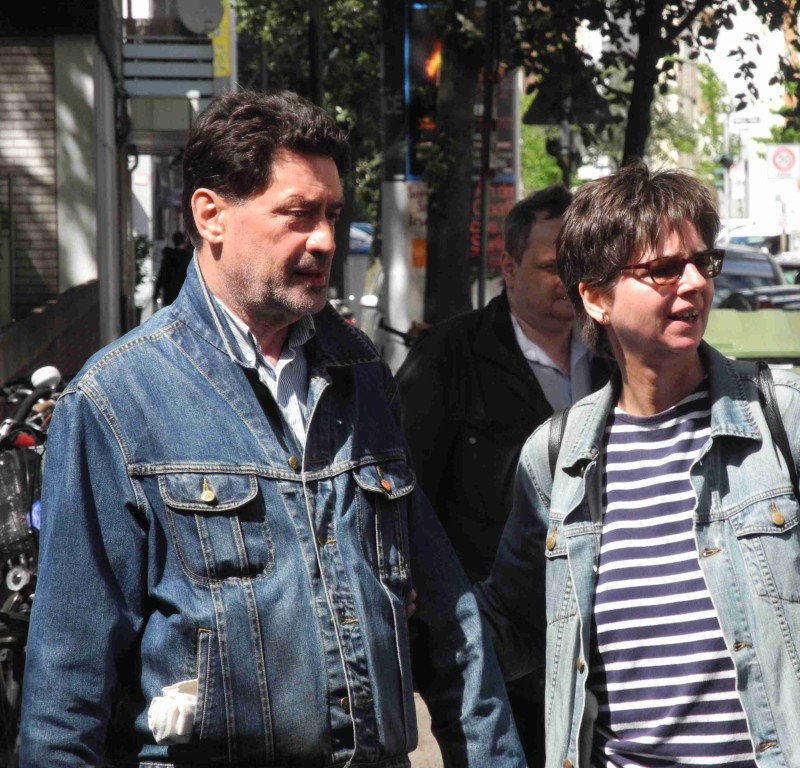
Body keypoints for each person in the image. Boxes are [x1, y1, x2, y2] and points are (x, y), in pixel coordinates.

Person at [21, 90, 524, 768]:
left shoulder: (361, 376)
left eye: (332, 215)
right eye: (297, 215)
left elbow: (448, 621)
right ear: (212, 215)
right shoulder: (116, 400)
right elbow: (66, 683)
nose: (325, 240)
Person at [476, 162, 800, 767]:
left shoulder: (786, 421)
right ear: (595, 297)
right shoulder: (557, 459)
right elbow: (502, 626)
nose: (694, 283)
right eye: (664, 269)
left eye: (703, 262)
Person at [395, 185, 614, 766]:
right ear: (509, 268)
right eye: (551, 266)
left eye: (580, 264)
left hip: (605, 636)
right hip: (494, 649)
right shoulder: (450, 356)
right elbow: (407, 496)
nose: (570, 280)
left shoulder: (617, 354)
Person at [153, 230, 192, 307]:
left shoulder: (168, 257)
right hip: (184, 295)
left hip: (169, 294)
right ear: (184, 242)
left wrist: (156, 293)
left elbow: (162, 276)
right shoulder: (187, 258)